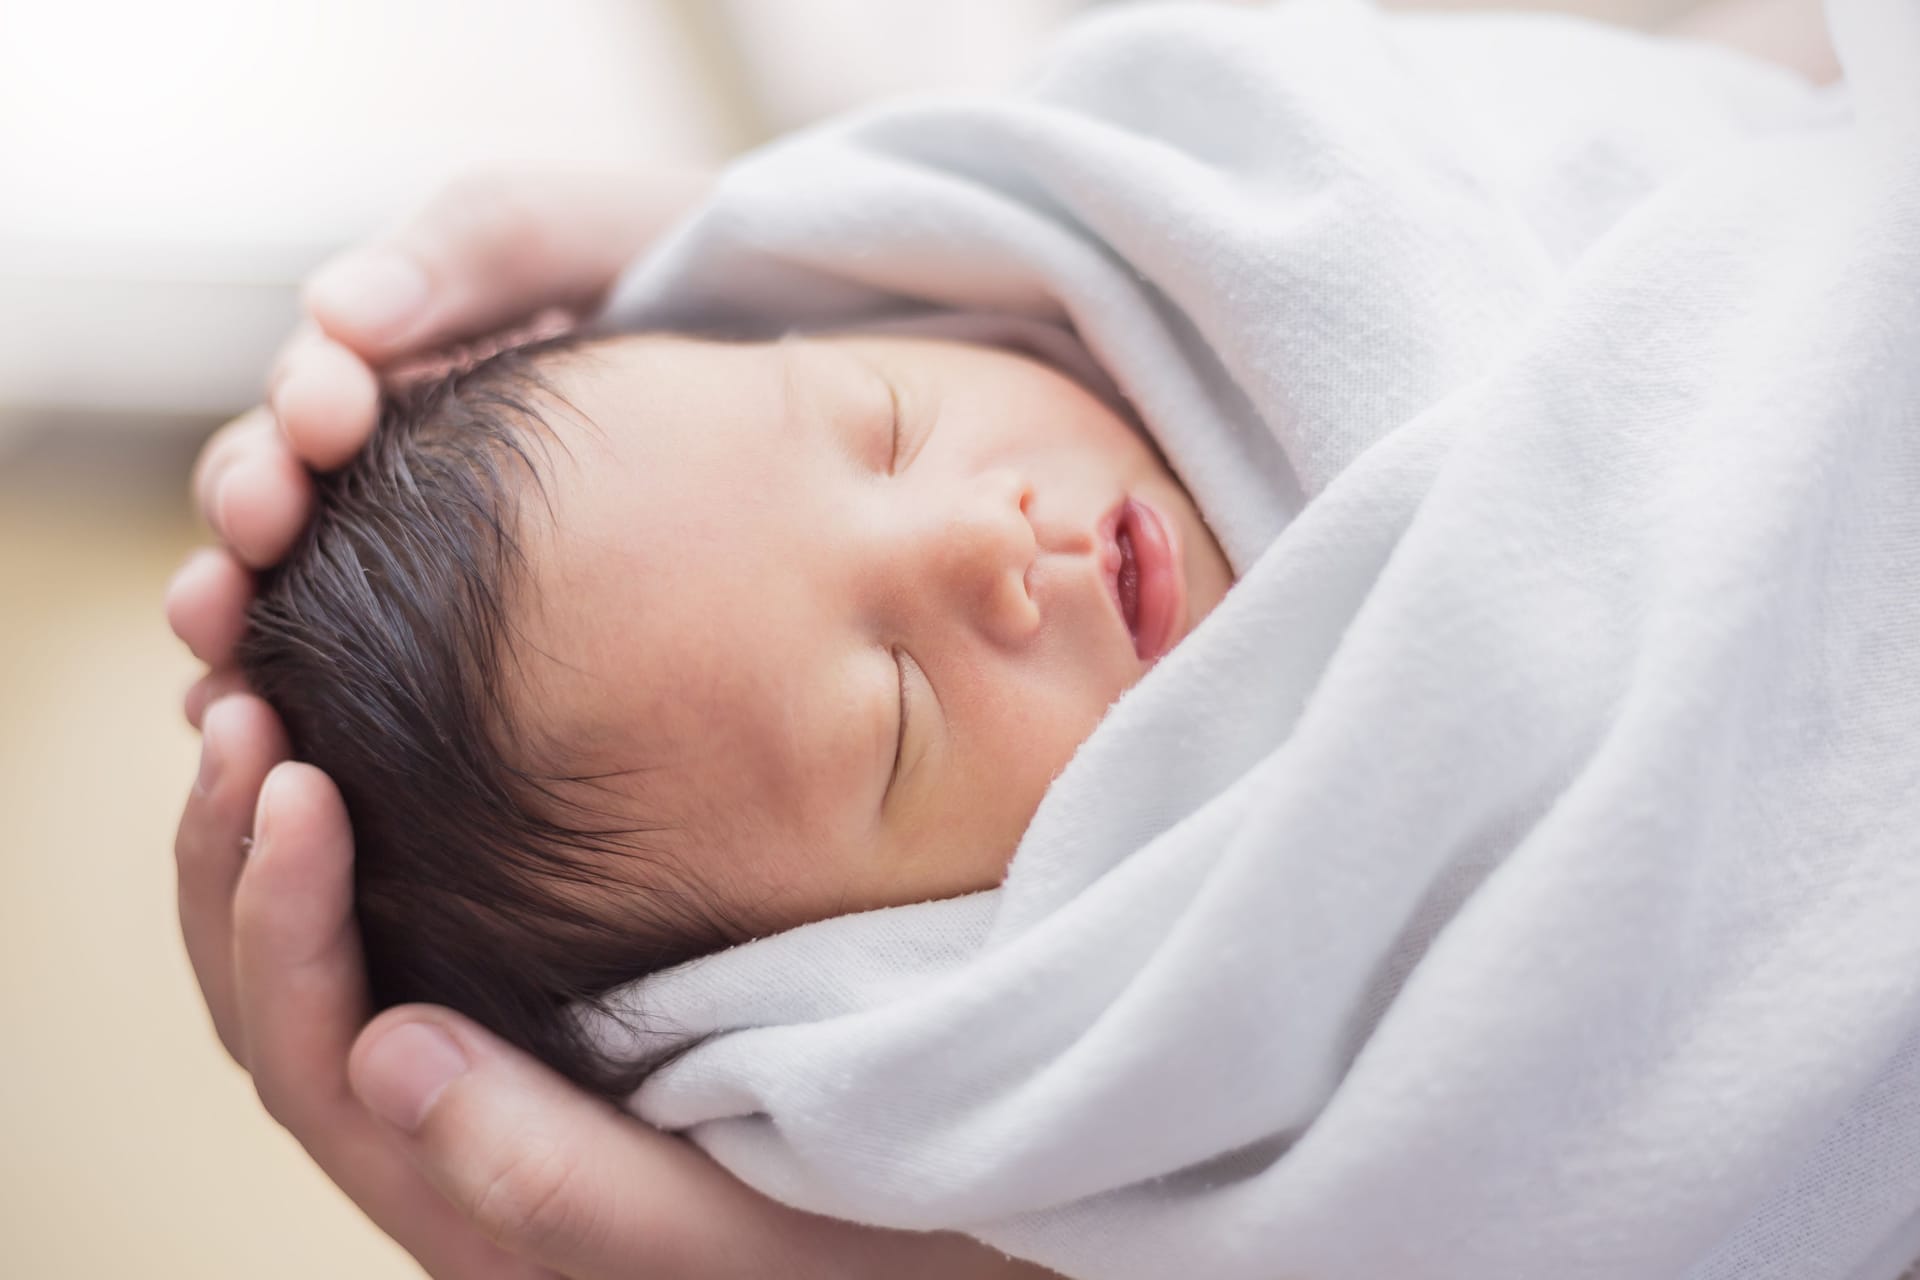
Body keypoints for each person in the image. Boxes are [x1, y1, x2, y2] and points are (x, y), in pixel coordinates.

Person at [166, 1, 1843, 1274]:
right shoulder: (1228, 1035)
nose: (988, 539)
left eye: (885, 420)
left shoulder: (1278, 219)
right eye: (896, 717)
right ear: (889, 980)